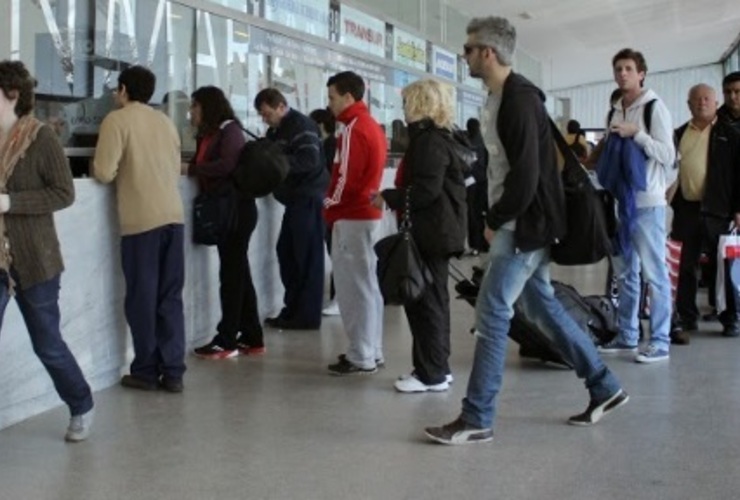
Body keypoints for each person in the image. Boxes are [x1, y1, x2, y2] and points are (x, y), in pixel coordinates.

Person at [425, 17, 627, 445]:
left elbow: (527, 175)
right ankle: (604, 385)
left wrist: (496, 220)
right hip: (525, 222)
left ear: (488, 53)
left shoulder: (518, 99)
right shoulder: (501, 97)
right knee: (541, 307)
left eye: (468, 49)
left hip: (524, 225)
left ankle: (477, 416)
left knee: (493, 311)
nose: (464, 56)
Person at [0, 60, 94, 442]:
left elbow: (63, 193)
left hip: (35, 260)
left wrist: (10, 203)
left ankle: (81, 403)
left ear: (12, 95)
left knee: (47, 344)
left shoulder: (41, 138)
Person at [93, 65, 186, 393]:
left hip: (141, 223)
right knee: (170, 298)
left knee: (142, 298)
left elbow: (104, 172)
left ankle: (146, 371)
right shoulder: (165, 121)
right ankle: (173, 371)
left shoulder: (116, 121)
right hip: (174, 218)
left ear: (122, 90)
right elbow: (175, 169)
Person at [372, 79, 466, 391]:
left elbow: (426, 189)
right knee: (434, 300)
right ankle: (437, 367)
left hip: (431, 231)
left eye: (407, 102)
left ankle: (430, 374)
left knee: (424, 302)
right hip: (441, 230)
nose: (402, 109)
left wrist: (390, 196)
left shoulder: (427, 142)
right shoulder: (442, 138)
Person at [596, 48, 676, 363]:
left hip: (648, 204)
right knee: (626, 273)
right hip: (620, 204)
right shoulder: (614, 110)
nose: (623, 73)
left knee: (655, 274)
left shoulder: (654, 108)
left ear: (641, 73)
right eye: (618, 68)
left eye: (629, 68)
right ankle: (628, 336)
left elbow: (668, 156)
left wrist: (637, 135)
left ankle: (660, 340)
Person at [187, 86, 264, 359]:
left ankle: (227, 339)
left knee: (231, 276)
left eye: (194, 106)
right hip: (230, 210)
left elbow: (227, 165)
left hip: (236, 211)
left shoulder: (229, 130)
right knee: (239, 272)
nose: (191, 112)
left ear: (207, 106)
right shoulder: (212, 132)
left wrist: (193, 169)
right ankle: (252, 335)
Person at [323, 71, 387, 376]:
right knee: (369, 286)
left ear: (349, 97)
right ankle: (372, 350)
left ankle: (360, 353)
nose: (330, 104)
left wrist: (329, 203)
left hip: (351, 215)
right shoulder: (372, 126)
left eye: (333, 97)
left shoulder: (351, 130)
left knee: (353, 288)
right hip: (368, 215)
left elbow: (345, 178)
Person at [670, 84, 740, 342]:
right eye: (696, 99)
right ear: (689, 105)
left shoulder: (730, 134)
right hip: (686, 209)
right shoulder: (678, 134)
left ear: (715, 102)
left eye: (707, 98)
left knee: (725, 267)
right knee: (685, 266)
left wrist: (738, 209)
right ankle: (687, 316)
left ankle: (731, 318)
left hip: (719, 211)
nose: (702, 103)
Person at [254, 88, 329, 330]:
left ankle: (306, 316)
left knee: (306, 258)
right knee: (287, 253)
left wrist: (276, 163)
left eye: (267, 113)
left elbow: (309, 160)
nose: (265, 119)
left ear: (280, 106)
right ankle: (293, 308)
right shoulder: (276, 130)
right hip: (294, 200)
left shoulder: (301, 126)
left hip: (308, 197)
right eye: (262, 116)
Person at [309, 107, 340, 316]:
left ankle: (338, 298)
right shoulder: (330, 144)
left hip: (331, 204)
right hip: (330, 203)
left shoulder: (330, 145)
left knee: (335, 250)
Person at [466, 117, 489, 254]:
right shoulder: (484, 142)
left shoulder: (467, 142)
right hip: (484, 182)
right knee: (483, 213)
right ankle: (485, 244)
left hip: (470, 183)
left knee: (472, 214)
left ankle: (475, 245)